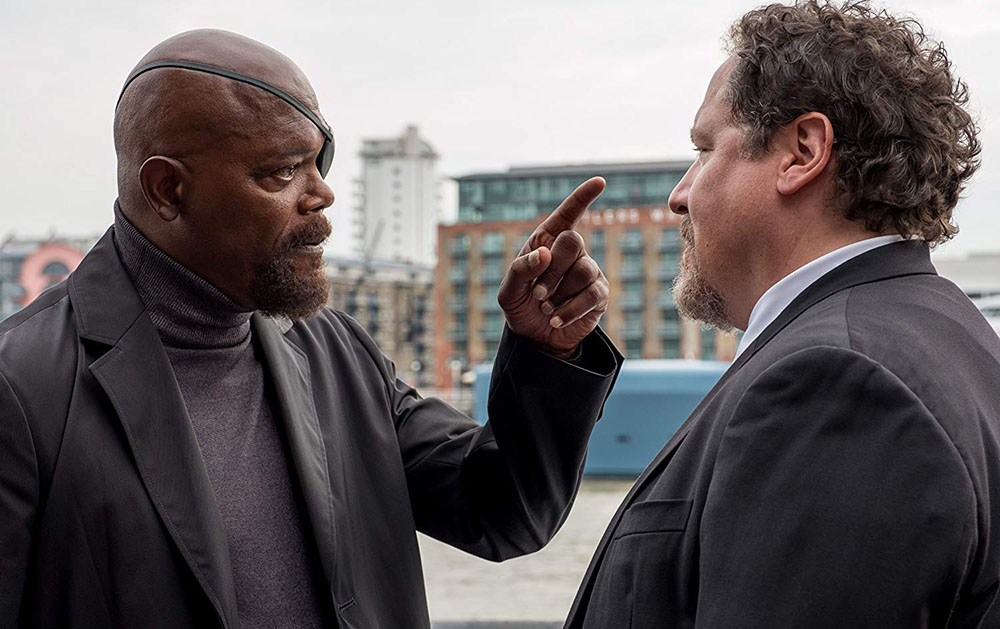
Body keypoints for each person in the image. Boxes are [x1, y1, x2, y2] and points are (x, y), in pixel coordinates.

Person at [0, 30, 623, 628]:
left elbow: (503, 513)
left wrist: (545, 351)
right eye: (282, 171)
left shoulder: (334, 350)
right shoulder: (21, 388)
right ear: (168, 189)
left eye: (319, 162)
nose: (322, 194)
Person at [566, 2, 1000, 627]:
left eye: (705, 149)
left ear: (803, 151)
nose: (679, 196)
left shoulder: (834, 384)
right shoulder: (951, 338)